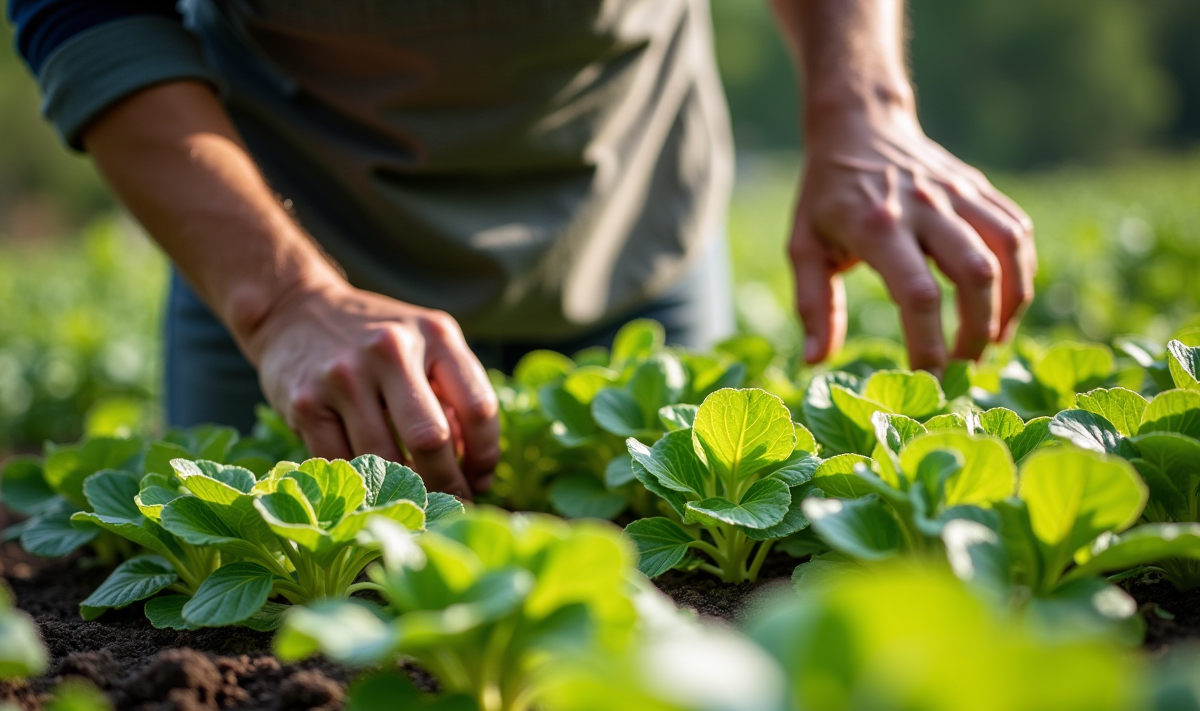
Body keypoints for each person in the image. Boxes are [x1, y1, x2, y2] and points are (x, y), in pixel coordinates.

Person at [9, 0, 1036, 499]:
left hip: (628, 217)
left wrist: (863, 108)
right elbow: (87, 11)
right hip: (284, 241)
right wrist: (279, 301)